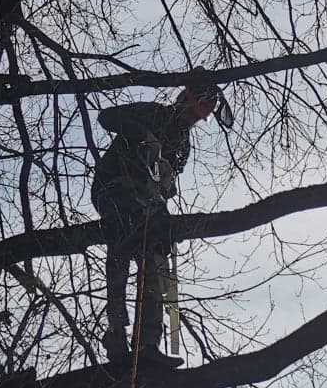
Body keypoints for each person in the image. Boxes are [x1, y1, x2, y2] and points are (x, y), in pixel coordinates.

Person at [91, 78, 230, 367]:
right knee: (121, 245)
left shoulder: (183, 144)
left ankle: (148, 342)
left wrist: (166, 182)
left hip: (148, 200)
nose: (192, 120)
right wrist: (145, 137)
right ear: (183, 100)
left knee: (156, 257)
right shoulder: (152, 113)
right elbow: (107, 117)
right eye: (192, 112)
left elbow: (168, 175)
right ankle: (116, 330)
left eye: (199, 117)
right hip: (114, 186)